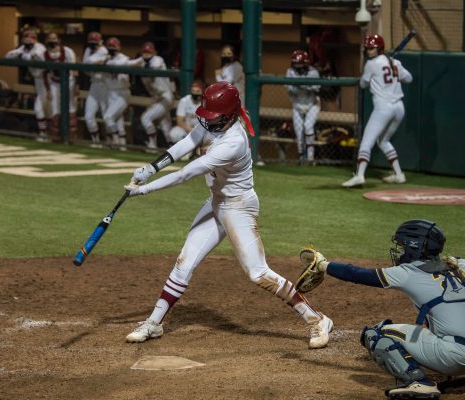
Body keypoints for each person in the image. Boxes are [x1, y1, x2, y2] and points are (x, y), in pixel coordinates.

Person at [122, 82, 333, 349]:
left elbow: (188, 172)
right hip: (216, 203)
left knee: (257, 273)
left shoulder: (233, 141)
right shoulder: (213, 123)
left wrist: (144, 190)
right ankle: (154, 323)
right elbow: (183, 145)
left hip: (239, 208)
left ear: (230, 115)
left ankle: (317, 319)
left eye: (215, 118)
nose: (208, 123)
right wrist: (151, 168)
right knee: (183, 263)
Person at [306, 219, 465, 399]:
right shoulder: (458, 264)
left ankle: (419, 383)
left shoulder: (408, 273)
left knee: (377, 334)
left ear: (415, 246)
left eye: (404, 245)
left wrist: (322, 265)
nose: (401, 250)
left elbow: (356, 274)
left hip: (454, 357)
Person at [343, 34, 413, 187]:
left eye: (372, 48)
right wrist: (395, 72)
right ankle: (399, 175)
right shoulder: (395, 62)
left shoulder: (371, 64)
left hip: (384, 108)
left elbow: (363, 84)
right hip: (399, 108)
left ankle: (360, 175)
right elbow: (409, 78)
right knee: (383, 140)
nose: (369, 50)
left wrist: (378, 75)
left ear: (379, 48)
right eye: (368, 48)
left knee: (367, 141)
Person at [5, 27, 47, 142]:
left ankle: (45, 134)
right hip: (38, 80)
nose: (28, 41)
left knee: (40, 108)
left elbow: (34, 57)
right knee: (40, 109)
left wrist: (23, 54)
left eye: (30, 38)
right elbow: (7, 56)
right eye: (26, 38)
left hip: (47, 80)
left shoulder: (40, 47)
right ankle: (44, 133)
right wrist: (20, 51)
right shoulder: (24, 48)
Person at [132, 42, 175, 150]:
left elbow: (154, 67)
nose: (146, 55)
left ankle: (152, 145)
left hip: (165, 96)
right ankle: (172, 149)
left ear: (154, 52)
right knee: (165, 125)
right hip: (157, 98)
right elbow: (129, 63)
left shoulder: (158, 59)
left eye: (149, 53)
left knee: (146, 118)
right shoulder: (141, 62)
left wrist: (141, 63)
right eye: (144, 53)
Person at [285, 50, 320, 163]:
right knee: (299, 132)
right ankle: (301, 158)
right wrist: (304, 85)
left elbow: (317, 88)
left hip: (312, 103)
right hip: (297, 104)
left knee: (308, 126)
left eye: (300, 64)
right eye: (296, 64)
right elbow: (290, 89)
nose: (298, 66)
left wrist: (301, 85)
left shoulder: (313, 72)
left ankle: (310, 157)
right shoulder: (290, 71)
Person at [41, 32, 77, 143]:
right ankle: (55, 137)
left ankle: (70, 138)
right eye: (50, 39)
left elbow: (75, 70)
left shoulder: (67, 51)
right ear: (46, 41)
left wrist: (76, 86)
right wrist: (47, 89)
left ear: (59, 40)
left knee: (70, 108)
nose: (52, 41)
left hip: (68, 81)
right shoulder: (44, 54)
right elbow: (44, 73)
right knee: (55, 110)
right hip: (54, 82)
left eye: (54, 38)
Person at [103, 37, 132, 148]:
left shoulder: (124, 58)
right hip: (110, 92)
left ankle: (115, 140)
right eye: (109, 47)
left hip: (122, 92)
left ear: (119, 47)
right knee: (118, 120)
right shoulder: (105, 59)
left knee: (108, 117)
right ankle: (122, 145)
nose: (112, 49)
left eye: (114, 46)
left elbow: (124, 63)